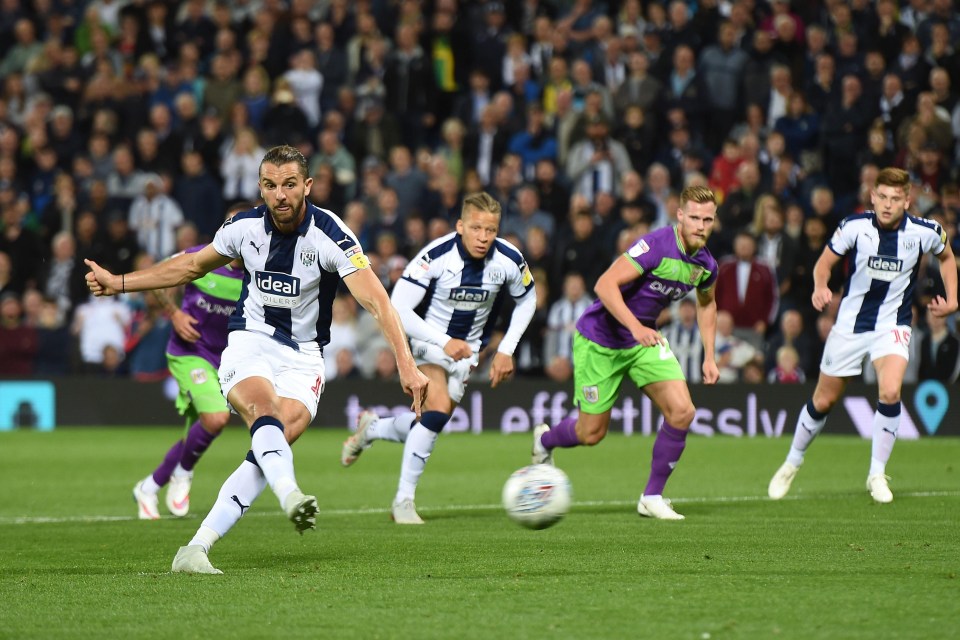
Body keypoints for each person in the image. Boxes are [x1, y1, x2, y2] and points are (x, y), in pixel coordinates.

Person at [85, 145, 428, 574]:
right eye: (270, 185)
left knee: (271, 445)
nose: (280, 195)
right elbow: (188, 267)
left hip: (304, 358)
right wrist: (118, 282)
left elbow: (377, 301)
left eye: (289, 185)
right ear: (260, 188)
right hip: (251, 340)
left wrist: (406, 363)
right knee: (264, 413)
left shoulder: (333, 236)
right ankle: (290, 494)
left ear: (307, 186)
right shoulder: (242, 228)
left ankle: (195, 549)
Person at [340, 192, 537, 524]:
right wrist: (444, 342)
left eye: (491, 230)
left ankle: (372, 429)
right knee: (440, 408)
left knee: (430, 421)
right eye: (476, 228)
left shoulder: (509, 260)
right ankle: (403, 502)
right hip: (426, 341)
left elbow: (528, 300)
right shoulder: (435, 257)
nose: (484, 237)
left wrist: (506, 350)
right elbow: (398, 307)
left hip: (468, 352)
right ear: (460, 226)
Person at [768, 167, 957, 504]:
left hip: (893, 325)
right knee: (823, 400)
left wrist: (953, 298)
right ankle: (791, 462)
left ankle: (876, 473)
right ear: (873, 196)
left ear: (907, 200)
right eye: (882, 197)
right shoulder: (854, 226)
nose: (887, 204)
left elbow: (946, 255)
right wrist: (820, 286)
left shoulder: (925, 231)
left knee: (890, 390)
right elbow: (823, 263)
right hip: (850, 326)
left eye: (895, 199)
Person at [531, 186, 721, 520]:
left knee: (682, 412)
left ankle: (652, 496)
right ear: (679, 216)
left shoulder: (705, 265)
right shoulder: (656, 245)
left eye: (707, 219)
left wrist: (709, 355)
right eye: (694, 217)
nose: (701, 225)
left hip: (643, 341)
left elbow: (707, 304)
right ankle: (546, 440)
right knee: (591, 434)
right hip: (600, 340)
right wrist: (636, 327)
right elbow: (605, 285)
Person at [131, 201, 252, 521]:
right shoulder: (201, 258)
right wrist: (174, 314)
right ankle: (183, 475)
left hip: (226, 360)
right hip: (189, 353)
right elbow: (156, 277)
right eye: (230, 227)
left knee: (198, 432)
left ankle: (149, 486)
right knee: (215, 419)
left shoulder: (257, 273)